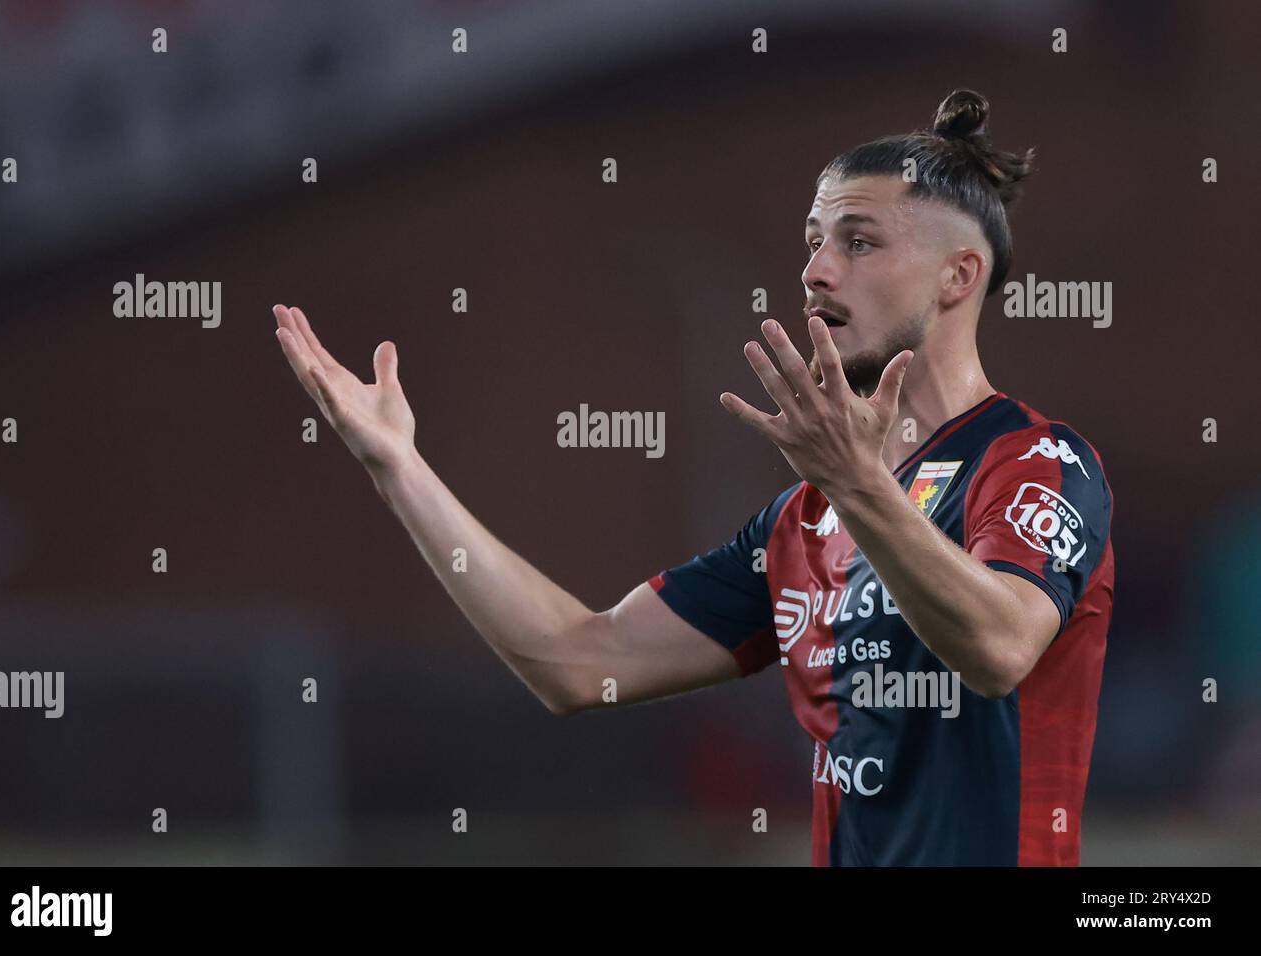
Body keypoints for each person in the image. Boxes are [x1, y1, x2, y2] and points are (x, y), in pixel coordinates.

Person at [272, 89, 1114, 866]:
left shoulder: (1035, 463)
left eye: (857, 241)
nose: (815, 270)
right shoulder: (804, 519)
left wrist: (859, 488)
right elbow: (575, 661)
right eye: (813, 242)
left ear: (958, 276)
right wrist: (401, 469)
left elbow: (1001, 647)